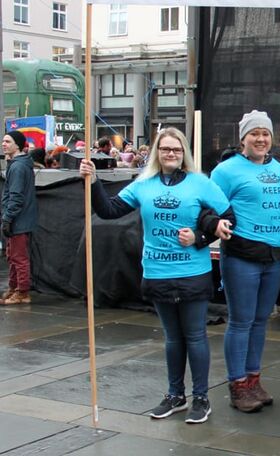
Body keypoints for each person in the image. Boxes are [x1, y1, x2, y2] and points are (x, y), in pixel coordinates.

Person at [79, 128, 235, 424]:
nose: (171, 154)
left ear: (184, 152)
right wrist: (94, 181)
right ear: (157, 152)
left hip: (192, 272)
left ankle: (201, 397)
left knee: (196, 336)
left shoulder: (201, 183)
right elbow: (109, 210)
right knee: (173, 338)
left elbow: (229, 218)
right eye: (165, 149)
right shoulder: (144, 185)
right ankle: (176, 395)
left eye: (176, 149)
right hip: (157, 271)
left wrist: (200, 237)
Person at [211, 110, 280, 413]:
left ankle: (254, 380)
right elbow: (209, 207)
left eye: (265, 134)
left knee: (260, 321)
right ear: (243, 138)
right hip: (242, 257)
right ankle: (238, 384)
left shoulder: (279, 169)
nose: (260, 139)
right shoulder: (226, 170)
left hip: (273, 258)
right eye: (254, 133)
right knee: (241, 321)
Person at [0, 131, 38, 306]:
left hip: (18, 220)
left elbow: (15, 196)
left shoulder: (17, 167)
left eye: (8, 141)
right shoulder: (19, 165)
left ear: (17, 145)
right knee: (13, 255)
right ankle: (15, 288)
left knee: (18, 257)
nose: (3, 144)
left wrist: (7, 218)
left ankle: (22, 292)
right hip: (19, 219)